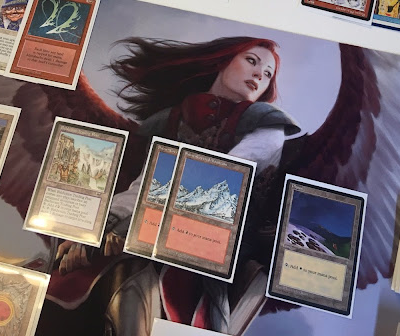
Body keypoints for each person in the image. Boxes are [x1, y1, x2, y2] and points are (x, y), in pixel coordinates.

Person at [55, 36, 300, 334]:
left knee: (199, 300)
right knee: (94, 275)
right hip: (154, 229)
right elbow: (144, 184)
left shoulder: (268, 126)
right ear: (223, 61)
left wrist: (130, 226)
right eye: (252, 61)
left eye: (268, 74)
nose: (260, 74)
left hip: (220, 242)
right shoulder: (170, 120)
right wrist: (101, 225)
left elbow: (218, 180)